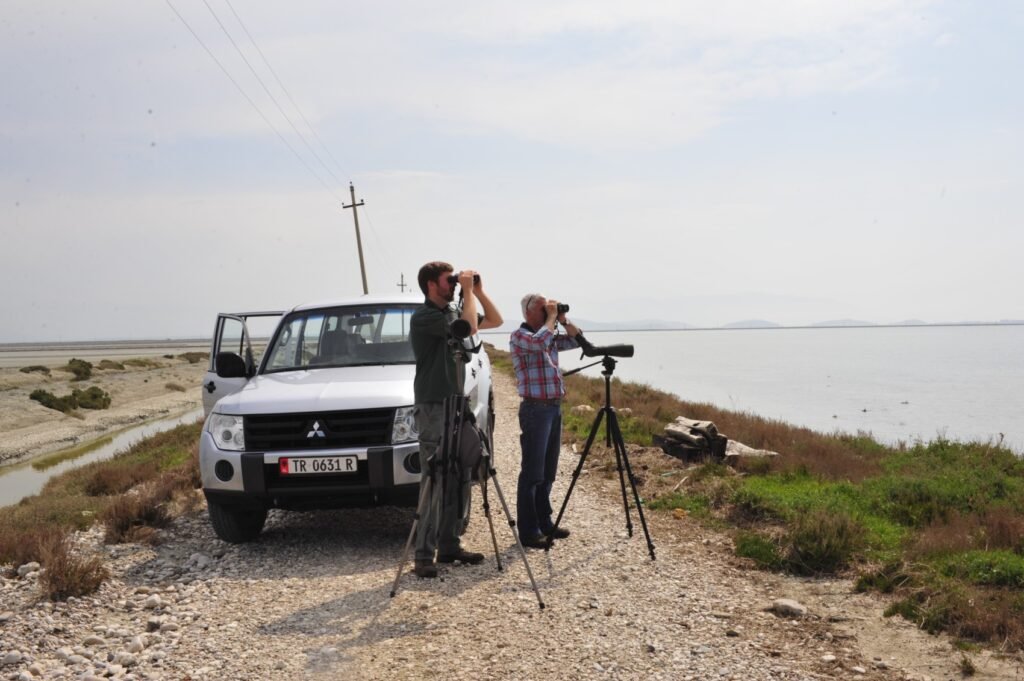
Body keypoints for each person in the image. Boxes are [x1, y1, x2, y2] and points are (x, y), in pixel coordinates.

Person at [410, 261, 504, 578]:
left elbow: (494, 319)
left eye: (454, 281)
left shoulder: (451, 313)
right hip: (433, 404)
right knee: (434, 477)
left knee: (459, 473)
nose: (452, 285)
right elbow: (472, 329)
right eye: (447, 281)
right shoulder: (424, 317)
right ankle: (423, 555)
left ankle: (449, 545)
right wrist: (465, 289)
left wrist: (476, 290)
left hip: (455, 403)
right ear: (430, 285)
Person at [510, 293, 580, 549]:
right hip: (535, 410)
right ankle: (528, 532)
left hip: (553, 409)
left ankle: (544, 522)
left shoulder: (547, 335)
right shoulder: (521, 336)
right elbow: (540, 343)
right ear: (529, 312)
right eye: (542, 309)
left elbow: (575, 340)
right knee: (532, 473)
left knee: (548, 472)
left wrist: (562, 317)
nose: (546, 312)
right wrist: (551, 318)